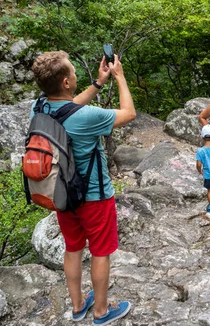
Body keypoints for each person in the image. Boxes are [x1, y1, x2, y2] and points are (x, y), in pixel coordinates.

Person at [31, 51, 135, 324]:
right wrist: (119, 77)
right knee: (101, 251)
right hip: (94, 197)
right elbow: (129, 113)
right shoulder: (87, 117)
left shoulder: (39, 108)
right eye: (74, 72)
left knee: (73, 248)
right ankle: (101, 312)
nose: (77, 75)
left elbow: (68, 107)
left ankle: (78, 306)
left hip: (61, 194)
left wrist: (98, 83)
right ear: (66, 82)